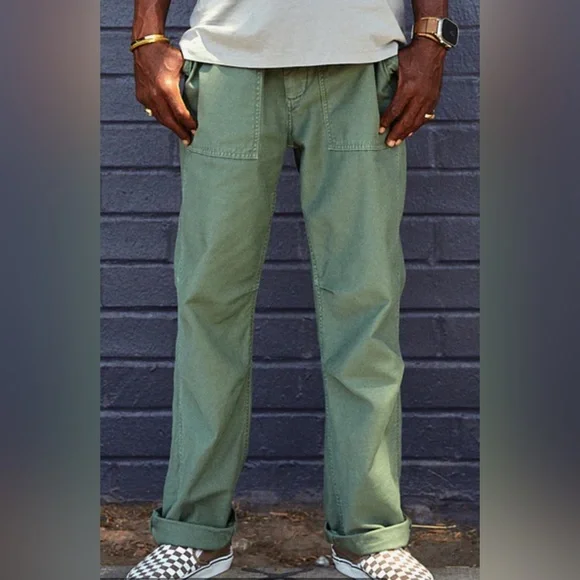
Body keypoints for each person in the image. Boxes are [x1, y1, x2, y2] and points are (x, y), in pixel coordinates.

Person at [126, 1, 458, 578]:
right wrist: (146, 36)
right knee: (210, 304)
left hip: (362, 65)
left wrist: (432, 38)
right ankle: (193, 531)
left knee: (366, 304)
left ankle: (369, 535)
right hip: (227, 62)